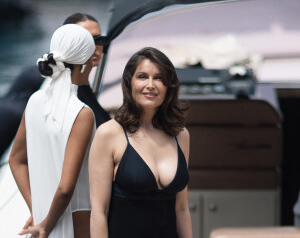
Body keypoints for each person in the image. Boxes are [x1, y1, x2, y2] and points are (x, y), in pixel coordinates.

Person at [89, 47, 193, 238]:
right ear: (130, 83)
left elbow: (181, 209)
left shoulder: (181, 135)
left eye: (159, 78)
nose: (151, 85)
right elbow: (98, 212)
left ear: (169, 86)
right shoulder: (109, 134)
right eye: (143, 76)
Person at [9, 24, 96, 238]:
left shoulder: (35, 101)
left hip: (44, 221)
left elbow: (16, 160)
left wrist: (38, 212)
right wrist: (46, 224)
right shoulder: (82, 113)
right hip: (77, 222)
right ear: (84, 63)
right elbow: (66, 187)